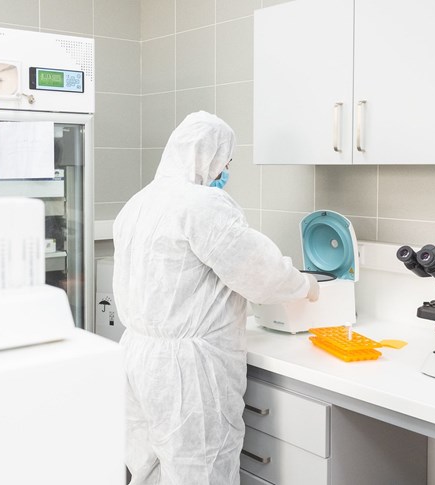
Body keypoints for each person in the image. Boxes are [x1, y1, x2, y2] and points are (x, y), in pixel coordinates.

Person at [112, 111, 319, 485]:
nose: (226, 169)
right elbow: (258, 271)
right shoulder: (202, 205)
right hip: (186, 370)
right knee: (200, 472)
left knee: (149, 469)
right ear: (209, 156)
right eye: (227, 159)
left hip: (136, 358)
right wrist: (305, 285)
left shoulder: (140, 202)